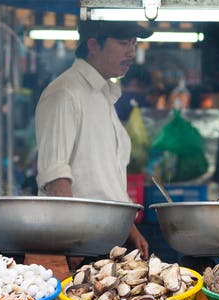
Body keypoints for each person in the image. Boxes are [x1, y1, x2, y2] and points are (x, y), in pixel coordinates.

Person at [35, 20, 151, 257]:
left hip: (107, 241)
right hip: (80, 245)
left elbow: (105, 182)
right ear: (93, 45)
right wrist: (75, 243)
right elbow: (56, 177)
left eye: (134, 43)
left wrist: (130, 231)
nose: (131, 52)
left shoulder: (103, 95)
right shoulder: (65, 94)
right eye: (122, 43)